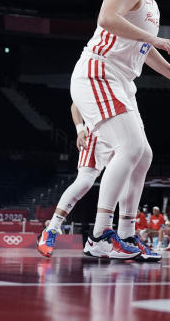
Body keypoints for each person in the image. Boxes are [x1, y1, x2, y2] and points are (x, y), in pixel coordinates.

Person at [70, 0, 170, 261]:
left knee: (143, 154)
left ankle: (126, 232)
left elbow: (146, 50)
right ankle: (101, 233)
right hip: (99, 71)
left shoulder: (151, 4)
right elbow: (106, 18)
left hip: (122, 81)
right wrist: (152, 38)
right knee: (129, 149)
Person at [38, 103, 117, 258]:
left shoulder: (127, 84)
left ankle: (103, 237)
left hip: (120, 137)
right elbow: (76, 105)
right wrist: (80, 130)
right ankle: (52, 228)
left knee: (120, 182)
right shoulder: (92, 79)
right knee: (85, 181)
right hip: (96, 134)